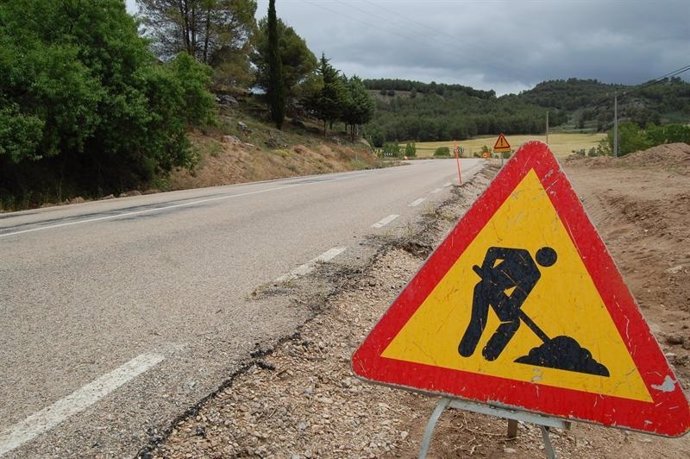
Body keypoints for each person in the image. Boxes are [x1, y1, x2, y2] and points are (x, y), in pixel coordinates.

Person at [458, 246, 557, 361]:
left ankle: (490, 352)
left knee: (513, 321)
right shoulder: (522, 254)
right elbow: (492, 251)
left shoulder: (535, 274)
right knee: (479, 320)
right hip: (484, 287)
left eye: (549, 259)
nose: (544, 259)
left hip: (497, 295)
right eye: (544, 255)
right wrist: (487, 274)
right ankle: (466, 349)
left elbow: (520, 294)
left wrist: (513, 305)